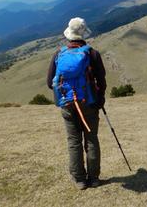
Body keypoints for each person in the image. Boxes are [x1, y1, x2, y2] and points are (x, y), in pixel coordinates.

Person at [47, 17, 107, 190]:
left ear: (69, 35)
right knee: (91, 140)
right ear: (83, 34)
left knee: (74, 141)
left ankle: (80, 179)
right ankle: (94, 178)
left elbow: (50, 83)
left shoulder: (59, 54)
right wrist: (100, 98)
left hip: (67, 103)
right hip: (88, 103)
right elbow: (101, 80)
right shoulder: (92, 54)